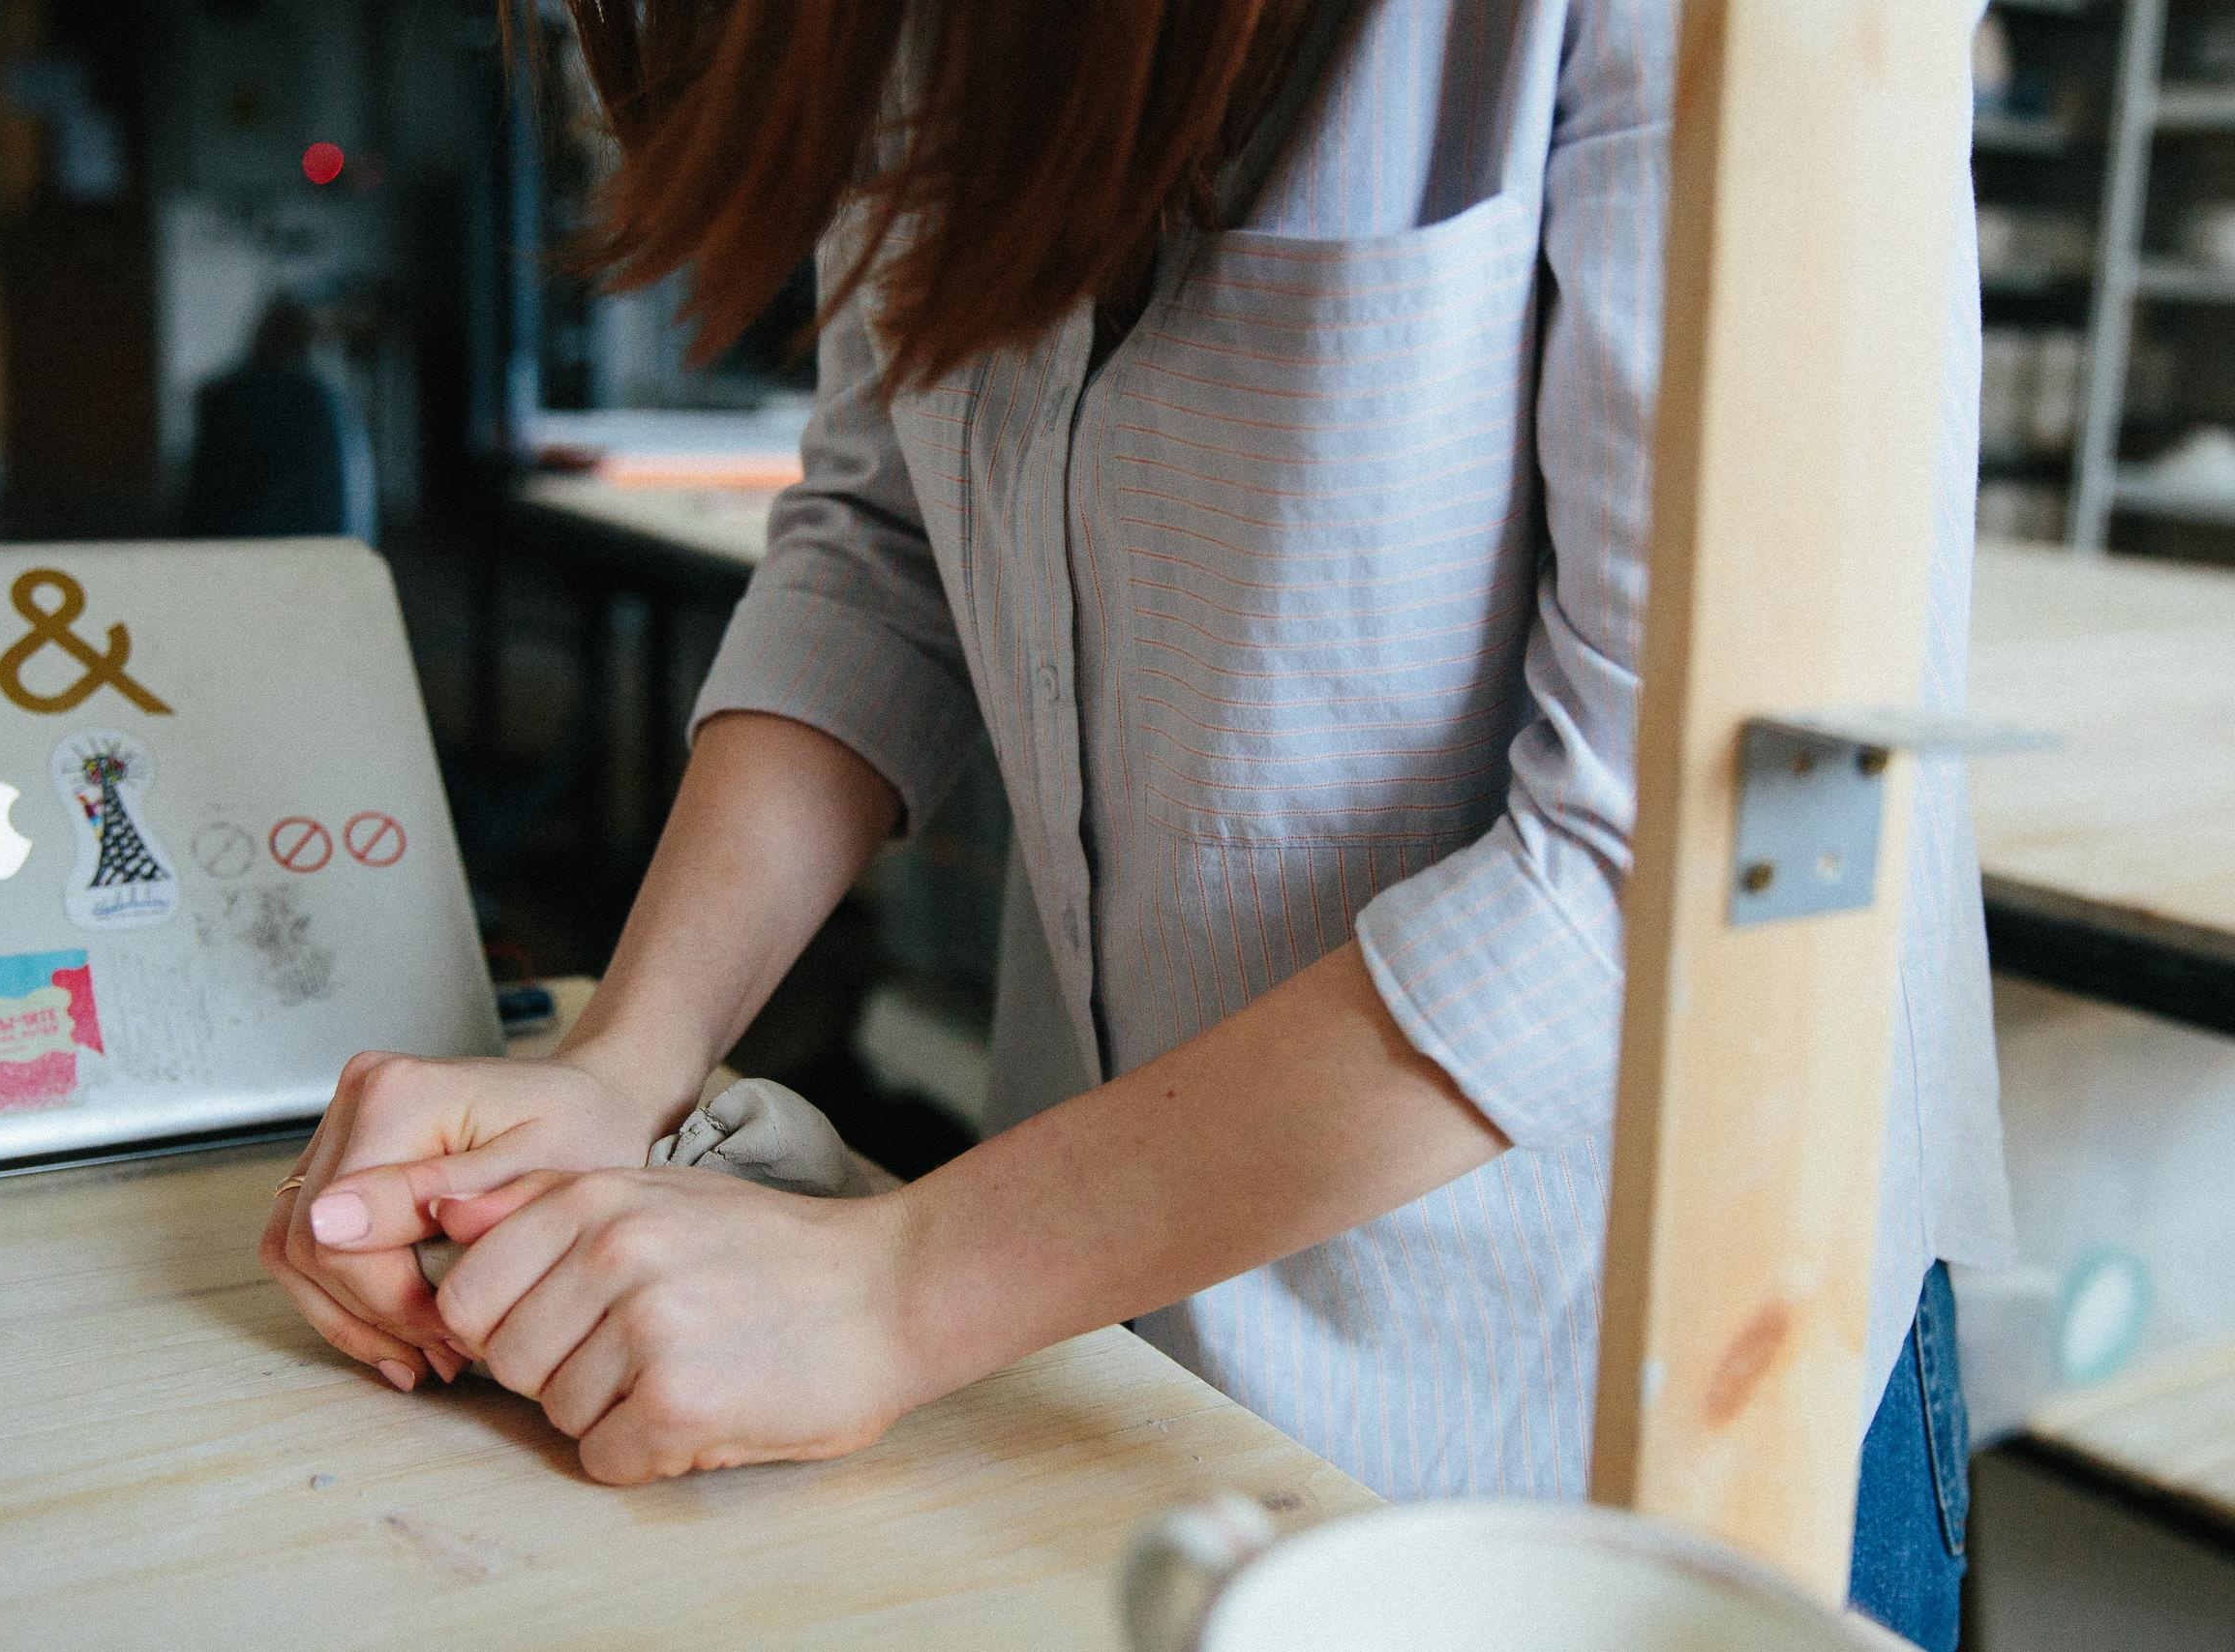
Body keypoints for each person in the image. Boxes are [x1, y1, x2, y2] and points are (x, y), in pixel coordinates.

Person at [261, 4, 2004, 1644]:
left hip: (1605, 1397)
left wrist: (895, 1285)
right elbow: (887, 543)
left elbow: (1668, 868)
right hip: (1103, 1329)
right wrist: (621, 1061)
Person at [181, 295, 376, 543]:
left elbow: (201, 500)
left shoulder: (224, 395)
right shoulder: (324, 400)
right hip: (313, 549)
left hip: (235, 548)